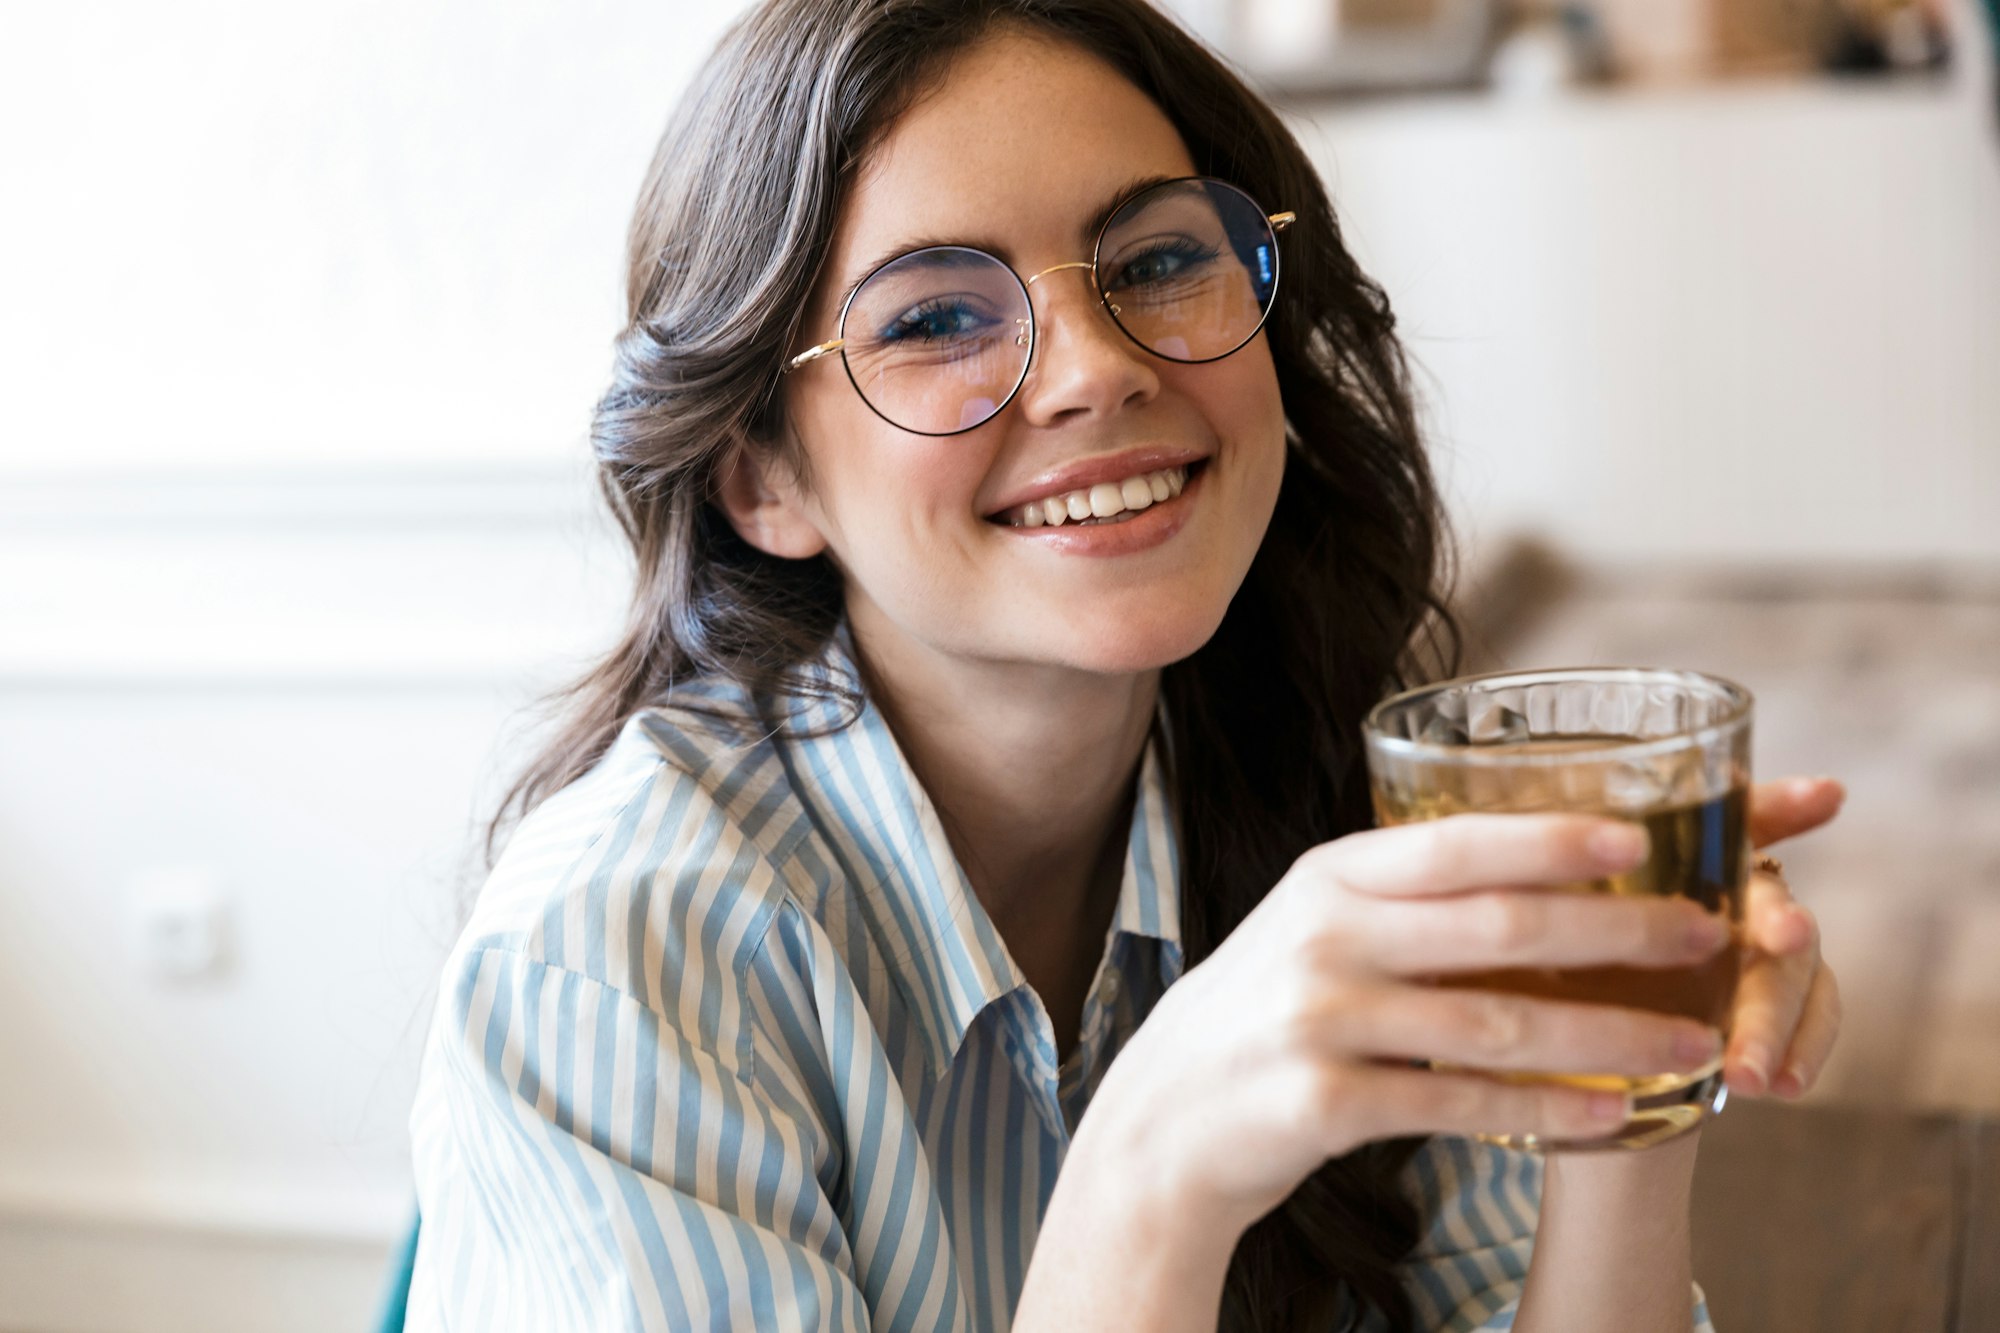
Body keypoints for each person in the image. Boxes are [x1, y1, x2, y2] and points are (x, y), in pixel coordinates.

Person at [402, 1, 1846, 1329]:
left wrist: (1623, 1077)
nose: (1096, 367)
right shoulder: (611, 972)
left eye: (1157, 260)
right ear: (763, 479)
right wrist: (1155, 1164)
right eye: (935, 319)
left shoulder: (1342, 793)